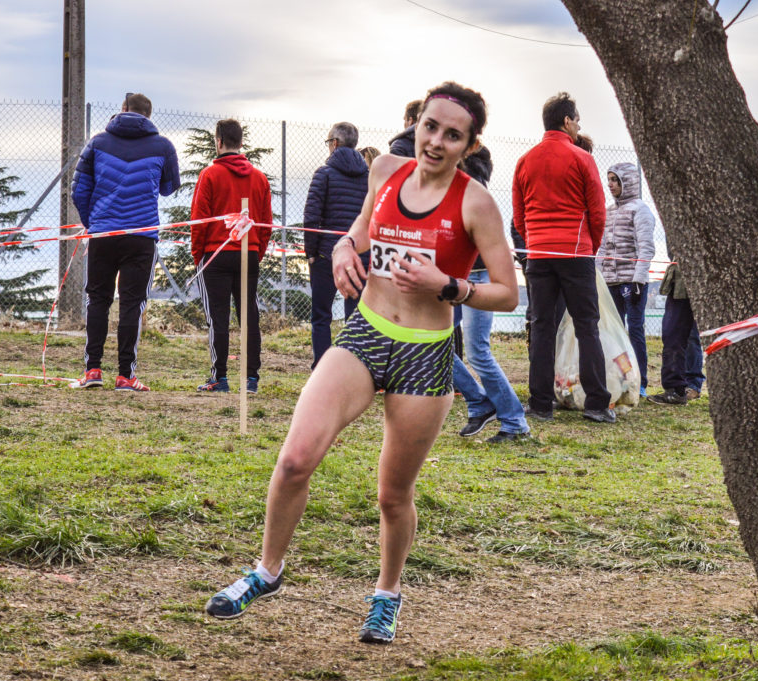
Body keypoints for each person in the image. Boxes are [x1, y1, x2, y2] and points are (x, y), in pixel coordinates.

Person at [204, 82, 518, 644]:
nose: (437, 142)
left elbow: (506, 293)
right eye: (430, 126)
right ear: (416, 124)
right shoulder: (385, 172)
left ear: (469, 146)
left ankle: (386, 596)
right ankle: (266, 571)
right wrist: (347, 249)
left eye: (453, 135)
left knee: (392, 496)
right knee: (297, 458)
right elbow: (358, 232)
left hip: (425, 357)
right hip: (365, 335)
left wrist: (449, 286)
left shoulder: (475, 203)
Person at [512, 92, 614, 423]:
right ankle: (597, 404)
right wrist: (590, 246)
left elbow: (518, 216)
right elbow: (598, 212)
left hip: (540, 254)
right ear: (567, 121)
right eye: (578, 119)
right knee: (587, 326)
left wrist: (534, 241)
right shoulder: (582, 159)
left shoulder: (525, 161)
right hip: (575, 252)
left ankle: (541, 403)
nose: (579, 125)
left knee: (542, 326)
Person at [70, 92, 180, 391]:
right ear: (149, 115)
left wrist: (93, 223)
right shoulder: (163, 146)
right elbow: (170, 188)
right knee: (132, 304)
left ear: (122, 110)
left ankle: (92, 370)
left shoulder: (97, 143)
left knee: (98, 300)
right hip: (141, 237)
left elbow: (78, 190)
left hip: (104, 234)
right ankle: (125, 376)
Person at [452, 145, 530, 443]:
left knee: (477, 351)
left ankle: (514, 421)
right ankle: (479, 401)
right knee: (435, 345)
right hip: (451, 273)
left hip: (477, 274)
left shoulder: (473, 179)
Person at [190, 118, 273, 394]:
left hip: (216, 253)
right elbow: (266, 223)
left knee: (218, 317)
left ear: (219, 141)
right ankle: (251, 379)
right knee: (249, 316)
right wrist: (256, 252)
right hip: (247, 253)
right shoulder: (259, 178)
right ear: (240, 142)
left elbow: (199, 220)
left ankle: (220, 378)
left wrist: (198, 256)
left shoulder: (209, 175)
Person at [303, 122, 370, 369]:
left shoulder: (324, 174)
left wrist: (310, 253)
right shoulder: (370, 178)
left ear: (334, 143)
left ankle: (321, 367)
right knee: (355, 318)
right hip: (358, 256)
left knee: (321, 316)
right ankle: (353, 368)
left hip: (325, 255)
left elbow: (311, 218)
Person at [598, 162, 656, 397]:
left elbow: (646, 248)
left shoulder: (640, 210)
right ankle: (620, 378)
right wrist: (598, 277)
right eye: (609, 179)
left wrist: (638, 281)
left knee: (635, 331)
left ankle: (640, 382)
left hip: (632, 283)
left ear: (628, 182)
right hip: (610, 282)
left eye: (615, 180)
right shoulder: (609, 211)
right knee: (614, 332)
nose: (610, 184)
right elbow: (601, 248)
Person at [647, 262, 697, 405]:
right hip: (679, 284)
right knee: (672, 335)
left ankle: (678, 388)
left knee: (675, 335)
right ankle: (676, 389)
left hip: (689, 283)